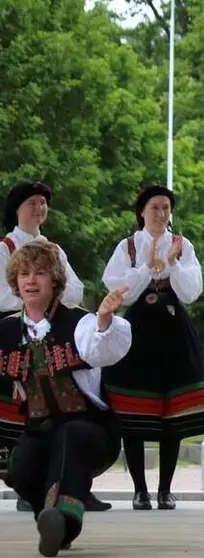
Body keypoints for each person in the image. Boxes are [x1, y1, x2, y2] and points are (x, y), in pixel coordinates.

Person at [1, 241, 131, 556]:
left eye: (41, 273)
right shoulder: (6, 331)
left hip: (92, 431)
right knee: (20, 465)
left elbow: (101, 348)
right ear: (16, 282)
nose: (31, 280)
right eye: (25, 274)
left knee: (71, 436)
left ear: (55, 281)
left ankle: (63, 522)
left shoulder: (80, 323)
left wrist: (103, 321)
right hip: (40, 430)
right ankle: (51, 524)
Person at [101, 185, 204, 510]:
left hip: (172, 329)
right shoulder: (128, 246)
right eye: (155, 207)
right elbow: (120, 291)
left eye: (166, 207)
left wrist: (172, 263)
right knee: (133, 413)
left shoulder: (183, 245)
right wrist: (148, 267)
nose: (161, 213)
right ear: (142, 211)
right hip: (137, 330)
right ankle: (140, 489)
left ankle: (165, 489)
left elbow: (191, 292)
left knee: (172, 414)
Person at [1, 181, 107, 513]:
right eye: (32, 202)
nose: (39, 208)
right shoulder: (4, 247)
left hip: (55, 329)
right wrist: (35, 292)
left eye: (43, 203)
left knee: (70, 407)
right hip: (15, 334)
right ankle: (33, 486)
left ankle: (73, 490)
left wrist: (50, 295)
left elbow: (74, 290)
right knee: (28, 417)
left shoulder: (55, 248)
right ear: (17, 209)